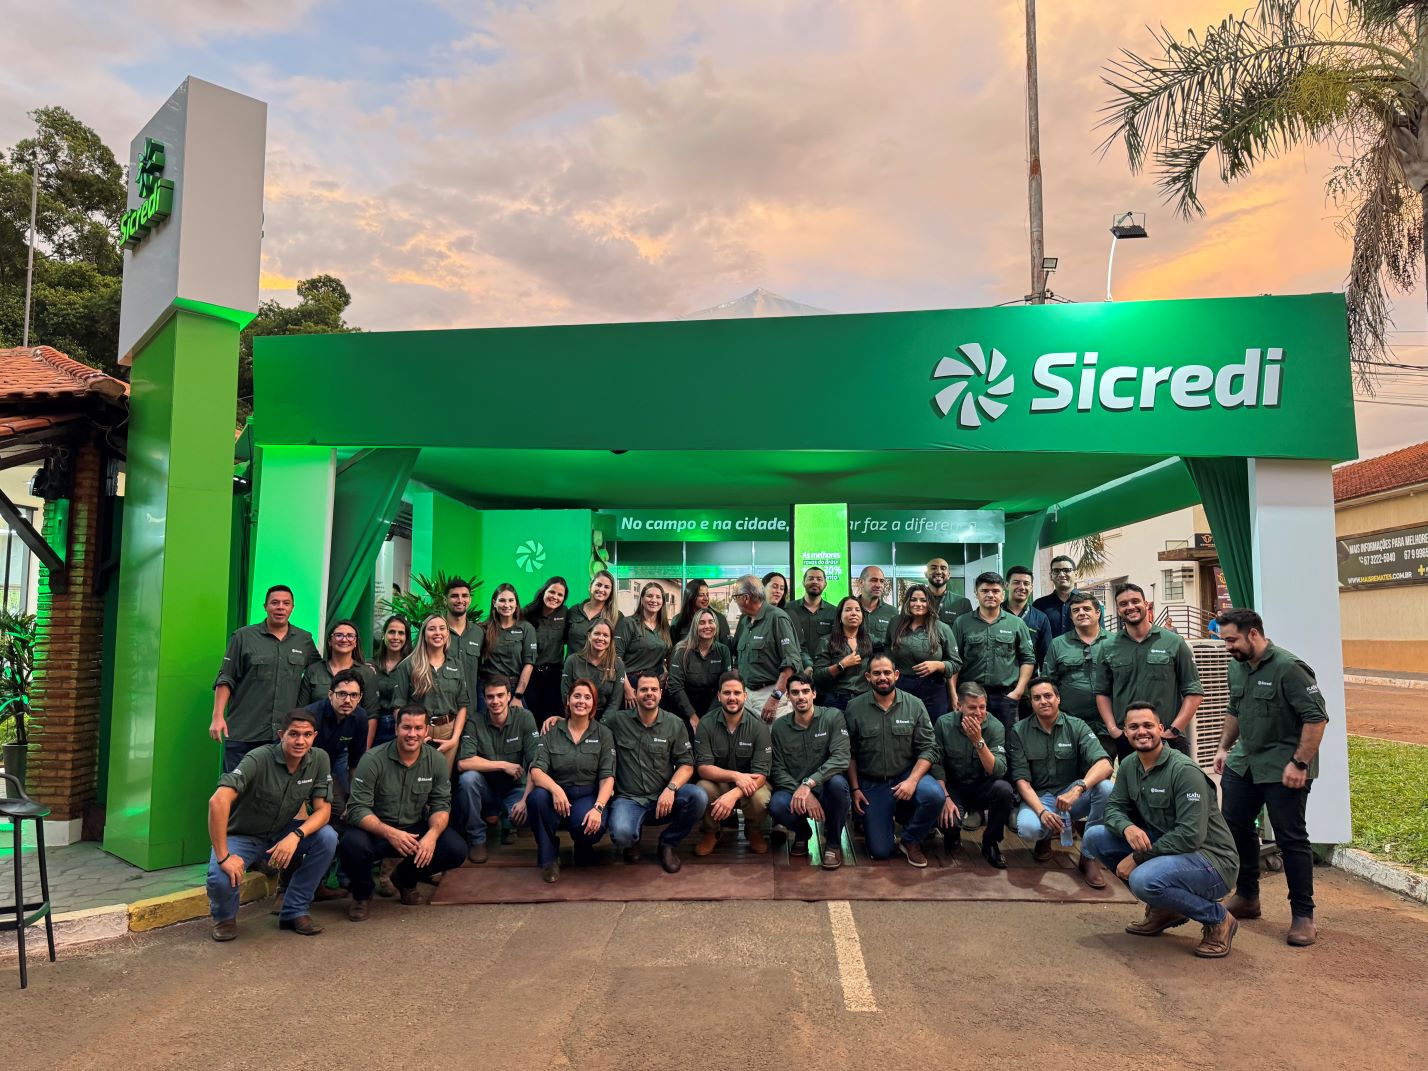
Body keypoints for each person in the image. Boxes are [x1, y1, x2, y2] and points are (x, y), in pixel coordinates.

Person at [1084, 703, 1241, 957]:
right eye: (1134, 727)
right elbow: (1113, 809)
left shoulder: (1184, 771)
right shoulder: (1129, 766)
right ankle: (1165, 909)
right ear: (1125, 732)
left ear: (1160, 728)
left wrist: (1138, 857)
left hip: (1211, 861)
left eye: (1148, 725)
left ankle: (1218, 918)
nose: (1141, 732)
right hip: (1169, 850)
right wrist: (1127, 827)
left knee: (1142, 879)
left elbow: (1190, 836)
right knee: (1094, 837)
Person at [1213, 608, 1328, 947]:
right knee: (1235, 826)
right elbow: (1235, 709)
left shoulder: (1289, 668)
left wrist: (1300, 763)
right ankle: (1248, 896)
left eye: (1232, 640)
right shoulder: (1237, 666)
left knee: (1291, 838)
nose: (1228, 647)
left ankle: (1303, 915)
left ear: (1253, 633)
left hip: (1284, 766)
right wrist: (1224, 747)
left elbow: (1316, 718)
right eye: (1224, 641)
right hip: (1245, 761)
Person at [205, 709, 337, 941]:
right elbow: (218, 801)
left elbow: (323, 811)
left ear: (314, 736)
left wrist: (296, 835)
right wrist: (224, 857)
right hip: (244, 835)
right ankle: (225, 918)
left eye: (307, 735)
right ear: (281, 734)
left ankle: (295, 910)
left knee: (327, 837)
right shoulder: (259, 758)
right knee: (220, 877)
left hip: (283, 831)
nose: (300, 741)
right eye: (293, 734)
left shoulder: (319, 759)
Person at [341, 707, 467, 919]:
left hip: (413, 830)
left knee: (455, 849)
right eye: (406, 727)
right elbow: (357, 808)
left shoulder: (436, 760)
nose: (412, 734)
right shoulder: (372, 759)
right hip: (377, 830)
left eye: (418, 728)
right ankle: (362, 895)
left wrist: (432, 835)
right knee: (351, 844)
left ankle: (405, 879)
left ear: (426, 731)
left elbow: (441, 804)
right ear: (396, 729)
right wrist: (389, 833)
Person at [1008, 677, 1114, 887]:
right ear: (1031, 703)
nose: (1043, 701)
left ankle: (1088, 855)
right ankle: (1044, 837)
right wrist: (1042, 812)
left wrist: (1078, 789)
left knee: (1106, 788)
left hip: (1071, 796)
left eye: (1048, 696)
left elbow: (1105, 764)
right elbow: (1022, 781)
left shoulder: (1077, 726)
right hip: (1039, 798)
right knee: (1028, 829)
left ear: (1058, 698)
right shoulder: (1019, 731)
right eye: (1037, 698)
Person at [845, 653, 944, 866]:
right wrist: (855, 789)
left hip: (906, 775)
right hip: (872, 782)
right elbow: (849, 753)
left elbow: (929, 748)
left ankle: (910, 839)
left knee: (934, 795)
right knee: (880, 851)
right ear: (868, 677)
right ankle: (882, 822)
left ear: (896, 675)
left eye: (887, 672)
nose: (882, 677)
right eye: (877, 673)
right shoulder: (854, 708)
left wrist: (912, 781)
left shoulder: (915, 705)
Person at [210, 584, 321, 772]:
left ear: (292, 608)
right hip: (245, 732)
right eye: (275, 603)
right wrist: (217, 716)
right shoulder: (243, 637)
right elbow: (226, 677)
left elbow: (321, 671)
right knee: (235, 786)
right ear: (265, 607)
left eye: (286, 603)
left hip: (283, 736)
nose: (280, 607)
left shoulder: (304, 640)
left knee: (276, 788)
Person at [606, 672, 708, 873]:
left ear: (661, 693)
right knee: (622, 834)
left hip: (663, 797)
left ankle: (668, 843)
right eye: (643, 689)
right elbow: (589, 728)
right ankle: (633, 838)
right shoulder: (617, 721)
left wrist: (671, 789)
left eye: (654, 689)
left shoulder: (674, 723)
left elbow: (687, 764)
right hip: (629, 799)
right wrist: (560, 719)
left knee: (698, 796)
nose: (649, 693)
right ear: (635, 693)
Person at [1094, 583, 1204, 757]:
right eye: (1123, 604)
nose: (1130, 607)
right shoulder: (1108, 647)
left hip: (1168, 738)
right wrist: (1113, 729)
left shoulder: (1174, 642)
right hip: (1128, 740)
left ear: (1146, 604)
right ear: (1118, 610)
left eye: (1135, 601)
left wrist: (1175, 729)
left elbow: (1194, 691)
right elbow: (1102, 692)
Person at [528, 679, 616, 882]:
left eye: (587, 697)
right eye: (577, 696)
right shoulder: (552, 730)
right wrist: (556, 789)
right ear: (568, 701)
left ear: (593, 704)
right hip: (557, 794)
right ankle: (549, 857)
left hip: (587, 794)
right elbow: (536, 771)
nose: (581, 701)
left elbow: (607, 777)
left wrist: (598, 808)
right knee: (537, 799)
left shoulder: (604, 734)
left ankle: (583, 845)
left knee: (591, 826)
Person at [768, 673, 851, 869]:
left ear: (814, 694)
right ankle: (803, 833)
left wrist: (809, 784)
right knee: (776, 804)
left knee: (838, 785)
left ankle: (833, 843)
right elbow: (777, 769)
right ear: (788, 696)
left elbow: (841, 758)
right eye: (795, 692)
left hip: (826, 788)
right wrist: (802, 790)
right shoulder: (779, 727)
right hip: (794, 790)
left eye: (805, 691)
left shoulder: (833, 717)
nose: (801, 697)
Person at [454, 676, 540, 863]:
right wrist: (503, 765)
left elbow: (536, 763)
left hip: (515, 788)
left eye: (500, 695)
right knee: (468, 780)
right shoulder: (475, 721)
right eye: (490, 697)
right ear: (484, 699)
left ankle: (510, 823)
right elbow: (463, 763)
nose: (495, 701)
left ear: (509, 696)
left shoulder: (524, 718)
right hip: (487, 790)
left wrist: (525, 800)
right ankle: (477, 839)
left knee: (527, 814)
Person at [932, 682, 1014, 869]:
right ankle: (952, 837)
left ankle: (991, 842)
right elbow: (936, 765)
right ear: (959, 706)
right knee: (947, 816)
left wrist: (978, 741)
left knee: (1004, 790)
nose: (978, 713)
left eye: (982, 707)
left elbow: (998, 770)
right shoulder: (944, 724)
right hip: (954, 785)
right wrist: (945, 797)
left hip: (982, 786)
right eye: (972, 708)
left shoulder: (995, 726)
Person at [694, 672, 774, 856]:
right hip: (719, 783)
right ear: (719, 696)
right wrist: (735, 776)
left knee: (761, 799)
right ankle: (712, 831)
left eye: (737, 693)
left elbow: (761, 775)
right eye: (727, 693)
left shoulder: (759, 727)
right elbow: (703, 768)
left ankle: (753, 830)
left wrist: (734, 794)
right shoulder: (706, 724)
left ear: (745, 696)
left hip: (752, 784)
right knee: (702, 789)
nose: (732, 698)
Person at [951, 571, 1035, 732]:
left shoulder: (1017, 624)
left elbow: (1028, 659)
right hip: (970, 695)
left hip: (1005, 696)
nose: (990, 595)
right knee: (968, 737)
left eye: (995, 591)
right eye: (984, 591)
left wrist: (1018, 692)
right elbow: (954, 661)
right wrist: (954, 694)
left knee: (1007, 739)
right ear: (976, 594)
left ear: (1003, 594)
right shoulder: (962, 623)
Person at [391, 614, 470, 771]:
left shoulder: (456, 665)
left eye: (442, 628)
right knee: (416, 777)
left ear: (447, 633)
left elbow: (462, 705)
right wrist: (411, 734)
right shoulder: (408, 665)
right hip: (418, 731)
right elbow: (398, 706)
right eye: (432, 629)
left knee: (443, 780)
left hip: (448, 732)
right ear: (424, 634)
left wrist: (455, 738)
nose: (437, 633)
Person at [1041, 590, 1113, 756]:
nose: (1081, 613)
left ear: (1098, 613)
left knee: (1105, 767)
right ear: (1071, 617)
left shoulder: (1115, 642)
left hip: (1107, 725)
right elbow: (1048, 683)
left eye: (1086, 609)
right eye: (1076, 610)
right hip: (1070, 724)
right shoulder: (1058, 644)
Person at [731, 573, 800, 722]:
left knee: (774, 736)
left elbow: (791, 663)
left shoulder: (777, 618)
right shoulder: (745, 622)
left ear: (746, 597)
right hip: (746, 695)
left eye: (735, 597)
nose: (735, 601)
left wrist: (775, 698)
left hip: (770, 695)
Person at [887, 583, 960, 720]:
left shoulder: (942, 628)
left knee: (933, 728)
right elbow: (887, 653)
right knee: (902, 727)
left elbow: (956, 663)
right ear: (907, 602)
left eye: (923, 600)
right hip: (901, 687)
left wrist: (938, 665)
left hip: (933, 688)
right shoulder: (895, 623)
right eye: (913, 600)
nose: (918, 604)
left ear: (930, 603)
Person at [304, 667, 369, 796]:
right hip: (305, 763)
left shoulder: (360, 717)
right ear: (330, 695)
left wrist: (352, 796)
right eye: (342, 694)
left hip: (336, 759)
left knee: (341, 801)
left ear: (360, 698)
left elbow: (355, 760)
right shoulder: (312, 715)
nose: (347, 700)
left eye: (354, 695)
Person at [667, 607, 732, 732]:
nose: (707, 626)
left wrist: (708, 718)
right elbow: (675, 685)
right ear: (695, 626)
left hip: (712, 707)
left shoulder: (723, 651)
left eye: (711, 622)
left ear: (716, 625)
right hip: (684, 706)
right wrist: (692, 716)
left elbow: (724, 686)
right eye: (702, 623)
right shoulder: (681, 650)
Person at [614, 581, 674, 709]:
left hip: (655, 685)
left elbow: (669, 655)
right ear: (641, 599)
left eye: (658, 597)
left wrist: (667, 673)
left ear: (663, 602)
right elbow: (616, 659)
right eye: (649, 596)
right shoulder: (628, 623)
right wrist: (627, 688)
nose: (654, 600)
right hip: (632, 684)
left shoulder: (665, 629)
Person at [297, 619, 377, 710]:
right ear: (330, 641)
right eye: (339, 635)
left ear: (355, 643)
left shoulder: (366, 673)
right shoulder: (313, 670)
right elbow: (302, 710)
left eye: (350, 636)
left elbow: (371, 713)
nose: (344, 639)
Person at [482, 582, 538, 707]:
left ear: (516, 603)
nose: (507, 605)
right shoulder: (484, 628)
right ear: (494, 603)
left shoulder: (526, 628)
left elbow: (529, 665)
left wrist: (518, 695)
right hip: (488, 687)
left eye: (511, 600)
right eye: (502, 600)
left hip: (513, 688)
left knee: (523, 719)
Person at [812, 595, 873, 711]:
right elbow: (818, 676)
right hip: (835, 701)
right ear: (839, 617)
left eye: (857, 610)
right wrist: (841, 665)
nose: (853, 613)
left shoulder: (870, 640)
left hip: (864, 700)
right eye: (848, 610)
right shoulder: (827, 641)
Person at [524, 576, 570, 717]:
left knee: (553, 717)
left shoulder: (565, 613)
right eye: (552, 592)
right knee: (533, 716)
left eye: (560, 595)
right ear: (544, 591)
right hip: (531, 674)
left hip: (555, 675)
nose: (555, 597)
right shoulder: (528, 613)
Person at [561, 620, 625, 720]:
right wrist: (580, 721)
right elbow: (566, 695)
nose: (601, 638)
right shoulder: (572, 661)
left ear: (611, 639)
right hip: (577, 716)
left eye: (605, 635)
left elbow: (615, 702)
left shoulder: (618, 664)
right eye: (597, 633)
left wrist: (602, 724)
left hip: (605, 719)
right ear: (589, 635)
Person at [369, 615, 411, 748]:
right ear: (383, 635)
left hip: (401, 726)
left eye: (401, 633)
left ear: (406, 638)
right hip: (373, 726)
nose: (396, 637)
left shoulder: (412, 666)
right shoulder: (370, 665)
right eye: (392, 632)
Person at [445, 577, 484, 708]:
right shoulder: (435, 631)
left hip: (470, 709)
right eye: (454, 596)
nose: (460, 600)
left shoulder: (479, 633)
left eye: (465, 596)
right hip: (442, 709)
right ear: (445, 600)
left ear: (470, 600)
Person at [787, 566, 836, 671]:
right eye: (810, 578)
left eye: (819, 579)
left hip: (824, 670)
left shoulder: (834, 612)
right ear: (803, 582)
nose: (815, 581)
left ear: (825, 584)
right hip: (795, 670)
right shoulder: (788, 609)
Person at [1004, 565, 1052, 670]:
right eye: (1016, 582)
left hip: (1030, 678)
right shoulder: (996, 613)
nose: (1021, 587)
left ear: (1031, 588)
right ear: (1007, 585)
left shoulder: (1041, 618)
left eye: (1026, 583)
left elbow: (1045, 655)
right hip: (1000, 678)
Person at [566, 569, 622, 656]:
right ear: (590, 586)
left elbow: (619, 649)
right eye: (598, 585)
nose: (601, 589)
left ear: (611, 592)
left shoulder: (616, 616)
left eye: (606, 587)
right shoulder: (574, 611)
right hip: (573, 664)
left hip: (601, 665)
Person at [670, 579, 733, 647]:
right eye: (701, 595)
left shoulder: (719, 619)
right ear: (690, 597)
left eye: (707, 594)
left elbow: (727, 648)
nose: (706, 598)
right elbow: (674, 649)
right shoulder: (677, 621)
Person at [1032, 554, 1081, 639]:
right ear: (1051, 576)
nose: (1061, 574)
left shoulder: (1089, 602)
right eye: (1056, 571)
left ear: (1075, 574)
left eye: (1067, 570)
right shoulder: (1039, 605)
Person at [856, 566, 896, 648]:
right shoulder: (849, 610)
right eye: (873, 580)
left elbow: (895, 644)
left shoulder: (892, 612)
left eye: (882, 581)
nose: (878, 585)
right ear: (861, 582)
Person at [925, 557, 972, 627]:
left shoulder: (963, 603)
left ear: (949, 575)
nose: (938, 572)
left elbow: (968, 631)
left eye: (943, 568)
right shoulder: (914, 602)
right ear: (926, 574)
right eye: (933, 568)